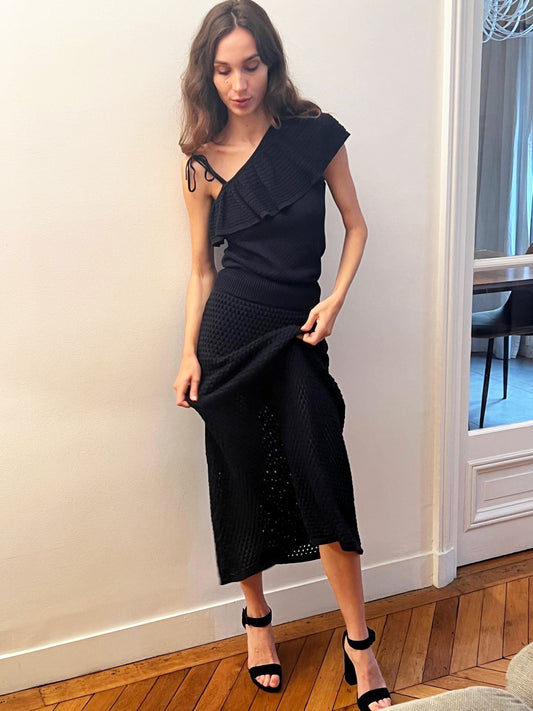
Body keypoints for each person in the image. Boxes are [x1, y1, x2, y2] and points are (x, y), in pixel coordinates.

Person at [172, 1, 391, 709]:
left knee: (322, 475)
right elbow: (202, 270)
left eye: (251, 65)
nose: (239, 84)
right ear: (208, 75)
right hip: (228, 340)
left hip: (297, 335)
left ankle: (359, 643)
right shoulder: (200, 165)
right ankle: (257, 621)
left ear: (272, 63)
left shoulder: (314, 136)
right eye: (223, 70)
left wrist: (336, 300)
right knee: (241, 479)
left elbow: (356, 226)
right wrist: (188, 354)